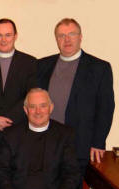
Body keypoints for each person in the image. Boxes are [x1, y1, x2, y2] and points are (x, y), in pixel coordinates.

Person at [37, 18, 114, 175]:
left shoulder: (99, 68)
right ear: (56, 39)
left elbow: (105, 108)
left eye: (72, 34)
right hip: (46, 145)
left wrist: (98, 142)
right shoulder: (42, 65)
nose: (67, 39)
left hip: (81, 146)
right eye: (61, 35)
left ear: (80, 37)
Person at [0, 18, 36, 150]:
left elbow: (30, 96)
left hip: (19, 130)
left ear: (15, 36)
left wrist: (8, 120)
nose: (3, 40)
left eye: (8, 35)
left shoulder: (30, 63)